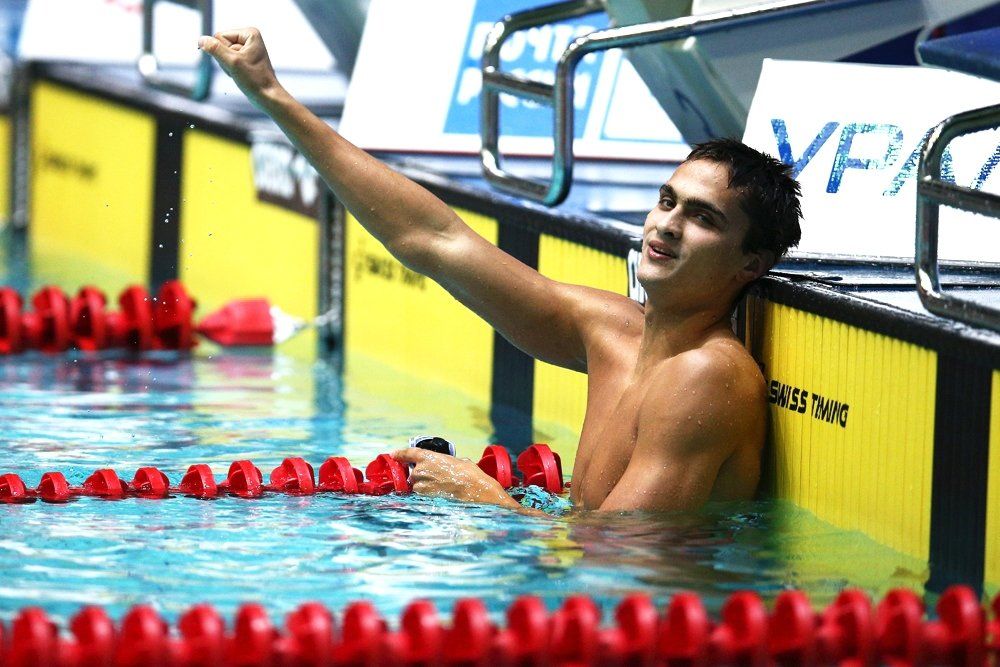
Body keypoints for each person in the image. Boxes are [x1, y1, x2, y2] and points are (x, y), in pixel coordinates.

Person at [198, 28, 802, 514]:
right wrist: (272, 95)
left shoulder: (704, 378)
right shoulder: (615, 332)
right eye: (667, 201)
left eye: (702, 219)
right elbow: (435, 240)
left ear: (752, 262)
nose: (668, 225)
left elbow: (621, 562)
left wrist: (485, 496)